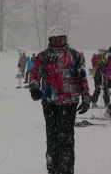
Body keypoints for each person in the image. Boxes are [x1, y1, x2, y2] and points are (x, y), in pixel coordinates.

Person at [29, 26, 90, 174]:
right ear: (50, 40)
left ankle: (67, 168)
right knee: (52, 136)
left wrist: (86, 97)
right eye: (55, 39)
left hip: (69, 102)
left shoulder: (75, 55)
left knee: (67, 137)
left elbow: (82, 77)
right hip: (50, 102)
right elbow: (34, 73)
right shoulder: (43, 56)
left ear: (65, 38)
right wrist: (34, 87)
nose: (58, 41)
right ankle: (53, 167)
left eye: (61, 38)